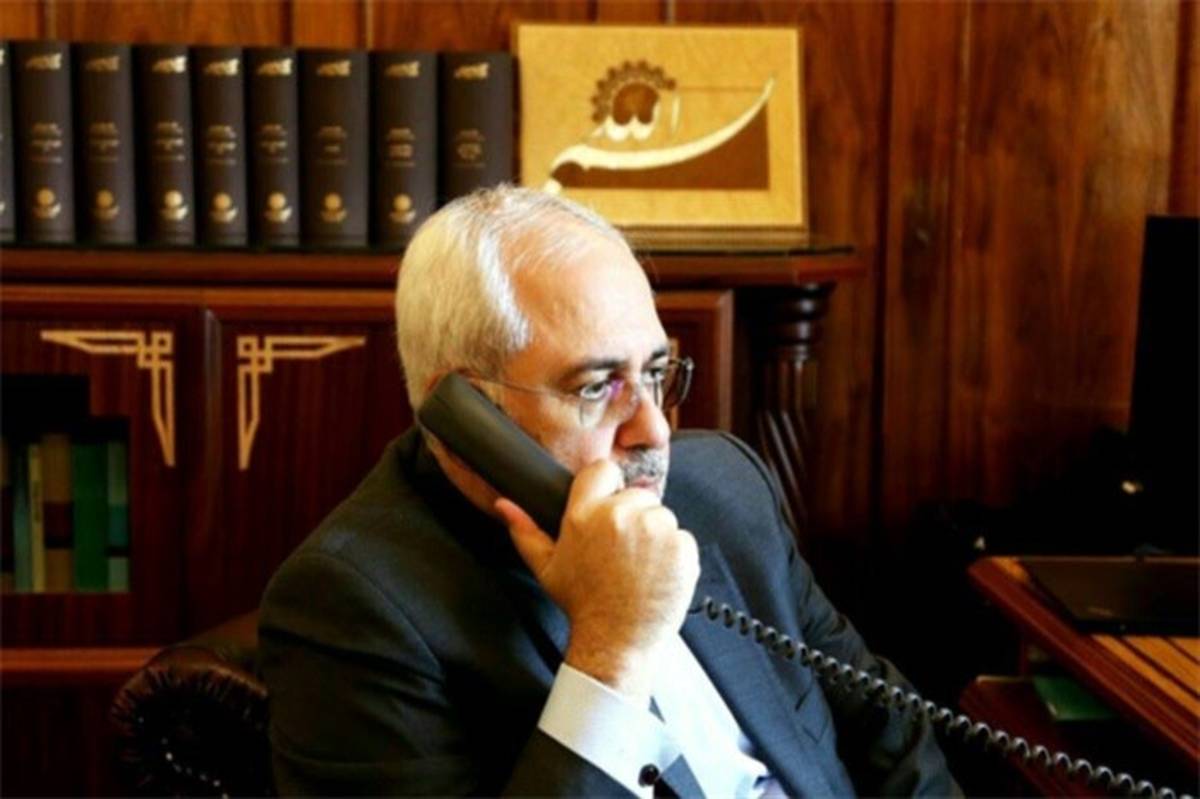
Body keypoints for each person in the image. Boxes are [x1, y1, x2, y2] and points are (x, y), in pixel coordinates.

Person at [258, 185, 961, 797]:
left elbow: (891, 733)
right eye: (597, 387)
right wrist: (609, 654)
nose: (654, 429)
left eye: (655, 372)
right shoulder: (351, 609)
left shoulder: (725, 489)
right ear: (470, 416)